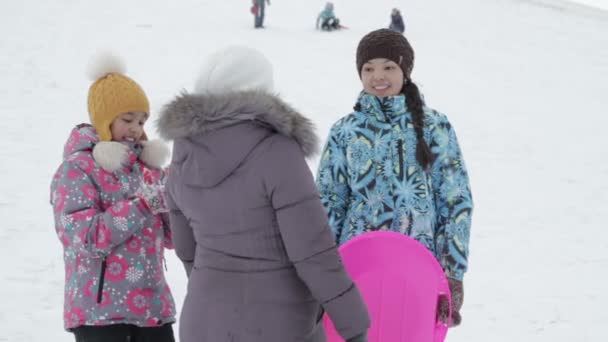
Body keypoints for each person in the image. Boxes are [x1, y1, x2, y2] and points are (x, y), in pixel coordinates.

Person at [157, 45, 370, 342]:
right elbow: (312, 252)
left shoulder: (182, 155)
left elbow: (186, 248)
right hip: (279, 325)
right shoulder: (278, 152)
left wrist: (214, 288)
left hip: (202, 322)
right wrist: (354, 325)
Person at [316, 29, 474, 326]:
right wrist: (322, 273)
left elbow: (455, 201)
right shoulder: (345, 131)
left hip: (419, 268)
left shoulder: (434, 126)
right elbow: (329, 202)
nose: (378, 76)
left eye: (389, 67)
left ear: (405, 71)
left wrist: (452, 274)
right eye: (369, 68)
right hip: (357, 266)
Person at [50, 53, 176, 342]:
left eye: (142, 121)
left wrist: (179, 198)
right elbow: (87, 237)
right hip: (100, 313)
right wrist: (145, 204)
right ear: (104, 119)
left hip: (152, 309)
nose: (136, 128)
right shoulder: (76, 169)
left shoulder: (147, 169)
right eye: (127, 119)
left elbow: (171, 238)